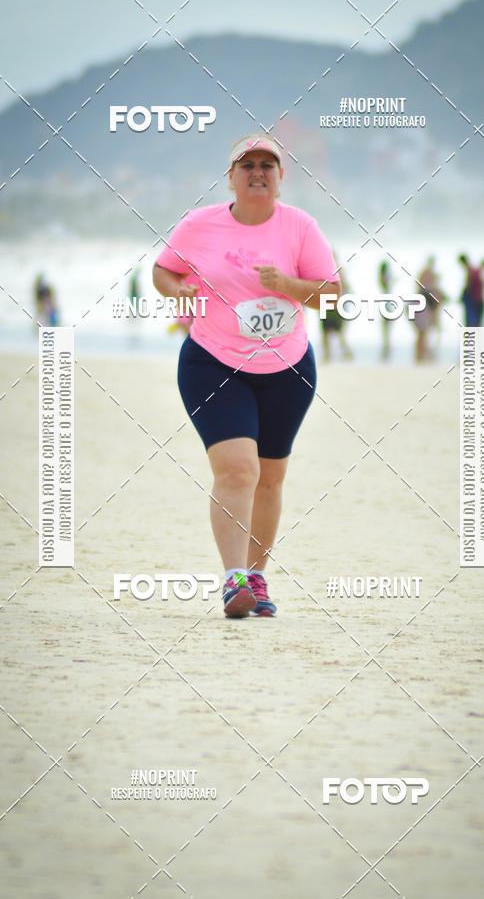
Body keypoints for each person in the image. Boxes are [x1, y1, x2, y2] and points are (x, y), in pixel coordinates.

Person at [152, 135, 341, 618]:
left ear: (281, 178)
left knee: (270, 479)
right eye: (247, 164)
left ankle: (257, 576)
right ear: (231, 177)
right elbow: (162, 270)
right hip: (213, 362)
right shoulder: (199, 225)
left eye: (268, 165)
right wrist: (180, 292)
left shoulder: (300, 227)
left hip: (287, 368)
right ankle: (233, 579)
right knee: (238, 469)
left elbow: (331, 294)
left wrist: (288, 285)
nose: (258, 171)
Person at [319, 252, 353, 362]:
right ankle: (328, 355)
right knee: (326, 333)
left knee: (337, 333)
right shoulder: (324, 270)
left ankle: (344, 354)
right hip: (327, 305)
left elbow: (347, 287)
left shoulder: (338, 270)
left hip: (336, 305)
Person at [413, 256, 446, 363]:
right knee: (422, 332)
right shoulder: (428, 275)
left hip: (423, 305)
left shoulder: (426, 275)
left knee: (423, 332)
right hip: (422, 305)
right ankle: (421, 355)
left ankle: (421, 355)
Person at [458, 254, 484, 327]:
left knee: (472, 322)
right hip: (477, 299)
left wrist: (463, 296)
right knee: (475, 322)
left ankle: (472, 337)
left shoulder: (470, 270)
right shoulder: (474, 270)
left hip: (473, 300)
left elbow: (469, 286)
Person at [378, 259, 394, 360]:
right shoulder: (384, 278)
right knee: (387, 326)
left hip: (385, 303)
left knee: (386, 326)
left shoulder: (381, 278)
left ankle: (386, 344)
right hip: (387, 304)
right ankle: (386, 345)